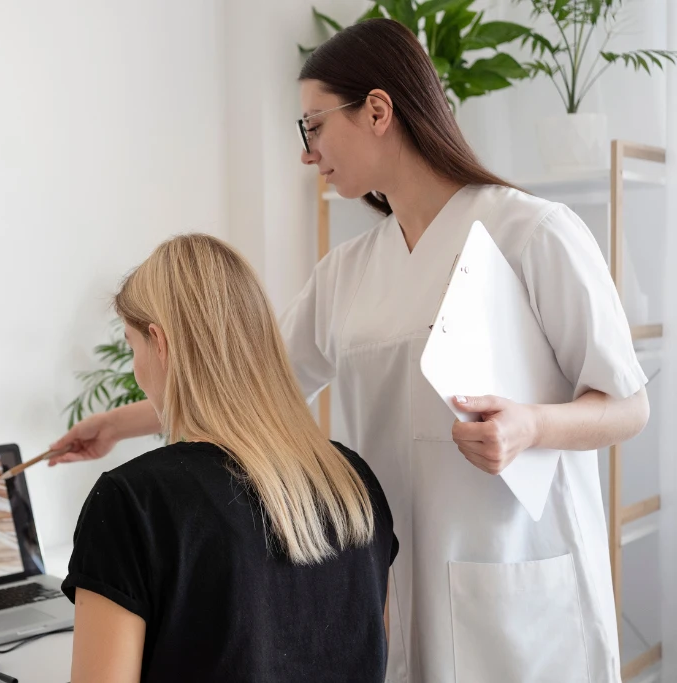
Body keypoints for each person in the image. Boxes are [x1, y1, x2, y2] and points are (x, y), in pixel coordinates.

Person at [51, 18, 649, 683]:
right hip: (391, 578)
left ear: (377, 110)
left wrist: (532, 425)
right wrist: (117, 424)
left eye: (314, 126)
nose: (307, 153)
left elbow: (627, 406)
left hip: (517, 575)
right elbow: (245, 386)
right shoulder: (346, 273)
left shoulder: (532, 231)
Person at [60, 234, 398, 683]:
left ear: (158, 343)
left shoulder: (132, 503)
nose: (136, 368)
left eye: (131, 346)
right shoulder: (352, 482)